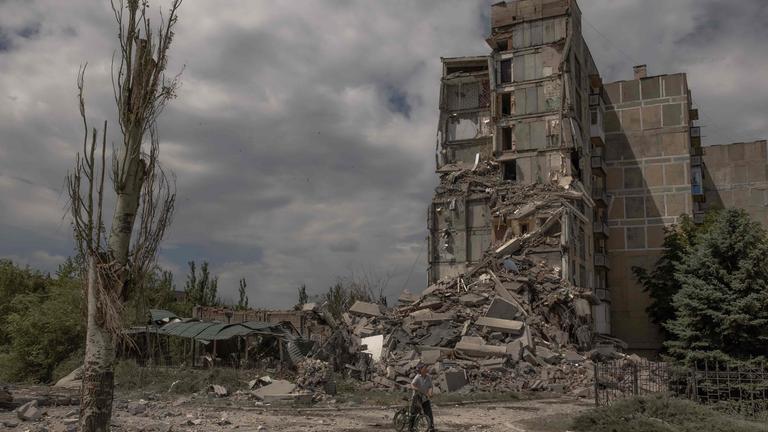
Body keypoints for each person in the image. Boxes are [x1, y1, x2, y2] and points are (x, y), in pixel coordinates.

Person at [410, 363, 435, 431]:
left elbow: (430, 386)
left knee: (429, 412)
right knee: (414, 412)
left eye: (426, 368)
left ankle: (431, 427)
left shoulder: (428, 377)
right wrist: (416, 388)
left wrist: (430, 393)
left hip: (425, 397)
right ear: (421, 370)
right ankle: (411, 427)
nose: (426, 369)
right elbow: (412, 384)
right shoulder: (418, 377)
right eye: (425, 368)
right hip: (417, 397)